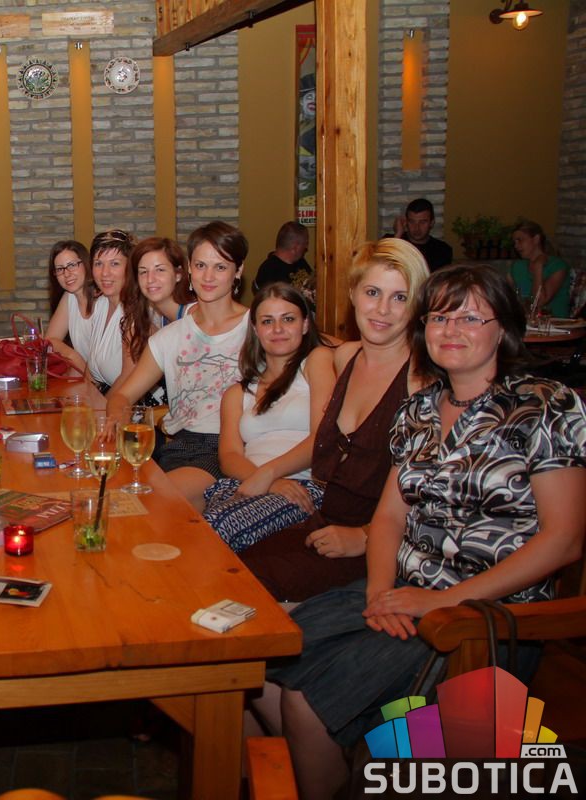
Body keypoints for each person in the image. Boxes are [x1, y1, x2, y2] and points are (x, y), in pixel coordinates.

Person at [257, 264, 585, 800]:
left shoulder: (543, 405)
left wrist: (443, 601)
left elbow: (564, 540)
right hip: (400, 592)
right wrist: (378, 591)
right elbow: (389, 517)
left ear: (504, 329)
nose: (451, 329)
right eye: (439, 317)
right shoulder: (418, 410)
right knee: (257, 664)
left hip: (486, 618)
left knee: (307, 697)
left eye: (470, 318)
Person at [241, 239, 431, 602]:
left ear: (417, 304)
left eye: (400, 297)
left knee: (250, 588)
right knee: (222, 564)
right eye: (373, 292)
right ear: (353, 293)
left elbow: (437, 497)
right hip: (323, 523)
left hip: (378, 546)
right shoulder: (344, 357)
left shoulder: (421, 380)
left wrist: (364, 535)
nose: (383, 309)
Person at [109, 222, 250, 510]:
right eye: (200, 265)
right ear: (189, 270)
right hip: (179, 446)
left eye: (220, 267)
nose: (208, 276)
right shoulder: (168, 337)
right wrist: (114, 420)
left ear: (238, 271)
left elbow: (318, 347)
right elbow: (123, 395)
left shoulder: (258, 327)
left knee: (150, 504)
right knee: (109, 496)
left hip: (230, 449)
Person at [200, 283, 335, 552]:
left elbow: (323, 438)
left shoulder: (316, 361)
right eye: (267, 321)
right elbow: (229, 456)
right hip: (247, 483)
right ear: (255, 329)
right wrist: (267, 481)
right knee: (191, 526)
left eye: (288, 319)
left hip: (302, 486)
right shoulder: (237, 393)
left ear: (305, 325)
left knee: (213, 530)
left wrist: (271, 473)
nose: (278, 329)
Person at [118, 236, 192, 405]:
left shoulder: (193, 317)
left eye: (160, 270)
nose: (150, 279)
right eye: (143, 272)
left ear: (178, 274)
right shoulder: (159, 318)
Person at [84, 229, 135, 391]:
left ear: (130, 267)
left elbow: (128, 379)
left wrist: (100, 405)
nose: (105, 273)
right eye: (98, 264)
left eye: (114, 264)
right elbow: (90, 371)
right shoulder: (100, 304)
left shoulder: (135, 313)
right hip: (103, 396)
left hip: (135, 402)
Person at [45, 240, 96, 375]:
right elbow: (50, 340)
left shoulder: (103, 299)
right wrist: (74, 357)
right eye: (60, 269)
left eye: (72, 265)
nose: (66, 274)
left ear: (86, 264)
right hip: (87, 377)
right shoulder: (70, 297)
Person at [509, 219, 572, 318]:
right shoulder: (517, 266)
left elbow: (539, 302)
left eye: (520, 240)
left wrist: (538, 267)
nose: (516, 246)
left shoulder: (557, 266)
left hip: (554, 323)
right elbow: (505, 296)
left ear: (536, 239)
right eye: (514, 242)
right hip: (526, 322)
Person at [390, 197, 453, 271]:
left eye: (422, 222)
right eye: (412, 222)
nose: (416, 228)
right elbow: (385, 267)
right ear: (406, 222)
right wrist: (398, 234)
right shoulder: (392, 242)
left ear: (431, 223)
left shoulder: (443, 250)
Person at [253, 221, 312, 292]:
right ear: (295, 247)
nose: (306, 247)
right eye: (305, 243)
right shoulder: (269, 271)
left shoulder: (300, 261)